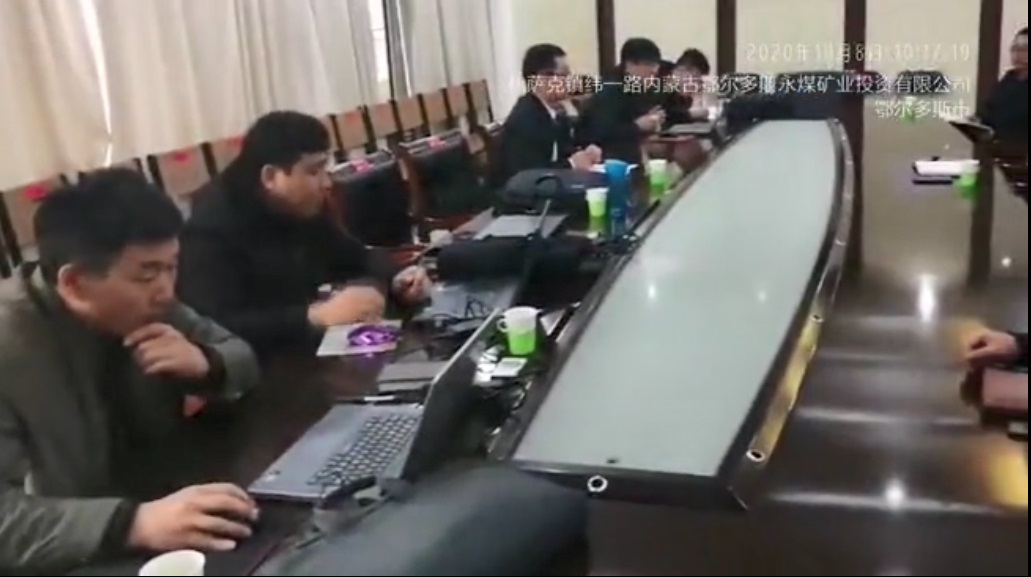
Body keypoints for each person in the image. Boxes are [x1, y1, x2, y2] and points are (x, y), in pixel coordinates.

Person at [0, 169, 261, 573]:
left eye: (172, 267)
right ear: (75, 283)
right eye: (147, 274)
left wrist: (206, 363)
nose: (166, 291)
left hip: (164, 498)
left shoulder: (151, 305)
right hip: (77, 545)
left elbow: (239, 355)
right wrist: (134, 524)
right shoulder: (11, 343)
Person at [178, 111, 431, 359]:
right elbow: (217, 327)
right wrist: (315, 317)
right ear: (270, 176)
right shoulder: (211, 229)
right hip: (256, 370)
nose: (327, 183)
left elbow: (351, 255)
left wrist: (398, 277)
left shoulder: (301, 205)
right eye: (313, 172)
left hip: (303, 351)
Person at [490, 44, 603, 187]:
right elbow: (531, 176)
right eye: (564, 75)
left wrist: (584, 154)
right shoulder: (526, 119)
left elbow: (562, 150)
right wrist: (572, 164)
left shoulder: (551, 111)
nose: (570, 81)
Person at [577, 38, 665, 163]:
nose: (654, 70)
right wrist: (638, 126)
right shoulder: (610, 90)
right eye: (648, 64)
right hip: (603, 159)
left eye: (656, 64)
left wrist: (653, 121)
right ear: (629, 66)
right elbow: (601, 133)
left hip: (630, 153)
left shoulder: (640, 89)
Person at [977, 27, 1027, 143]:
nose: (1017, 54)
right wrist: (976, 121)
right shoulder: (1009, 78)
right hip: (997, 148)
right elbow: (990, 109)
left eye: (1024, 49)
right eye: (1014, 49)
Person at [662, 48, 713, 126]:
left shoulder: (684, 97)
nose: (698, 86)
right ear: (680, 71)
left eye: (700, 82)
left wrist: (696, 103)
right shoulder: (661, 87)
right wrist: (691, 114)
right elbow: (665, 115)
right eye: (695, 78)